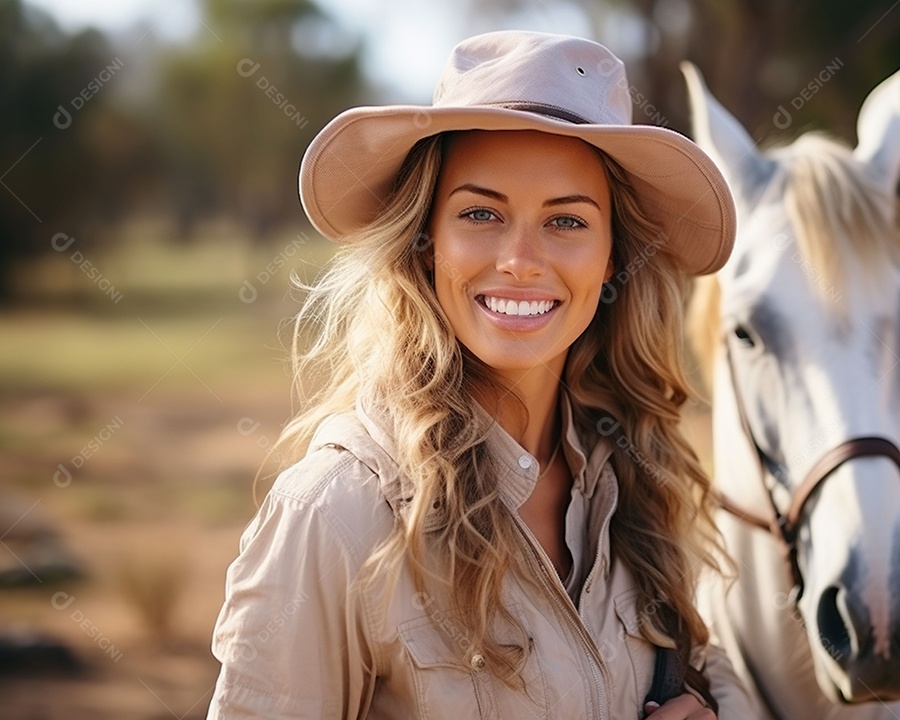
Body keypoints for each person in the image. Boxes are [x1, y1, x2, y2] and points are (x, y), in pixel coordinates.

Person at [207, 30, 751, 719]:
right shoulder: (337, 513)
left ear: (614, 257)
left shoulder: (643, 483)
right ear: (426, 242)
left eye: (567, 221)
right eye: (480, 214)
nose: (521, 260)